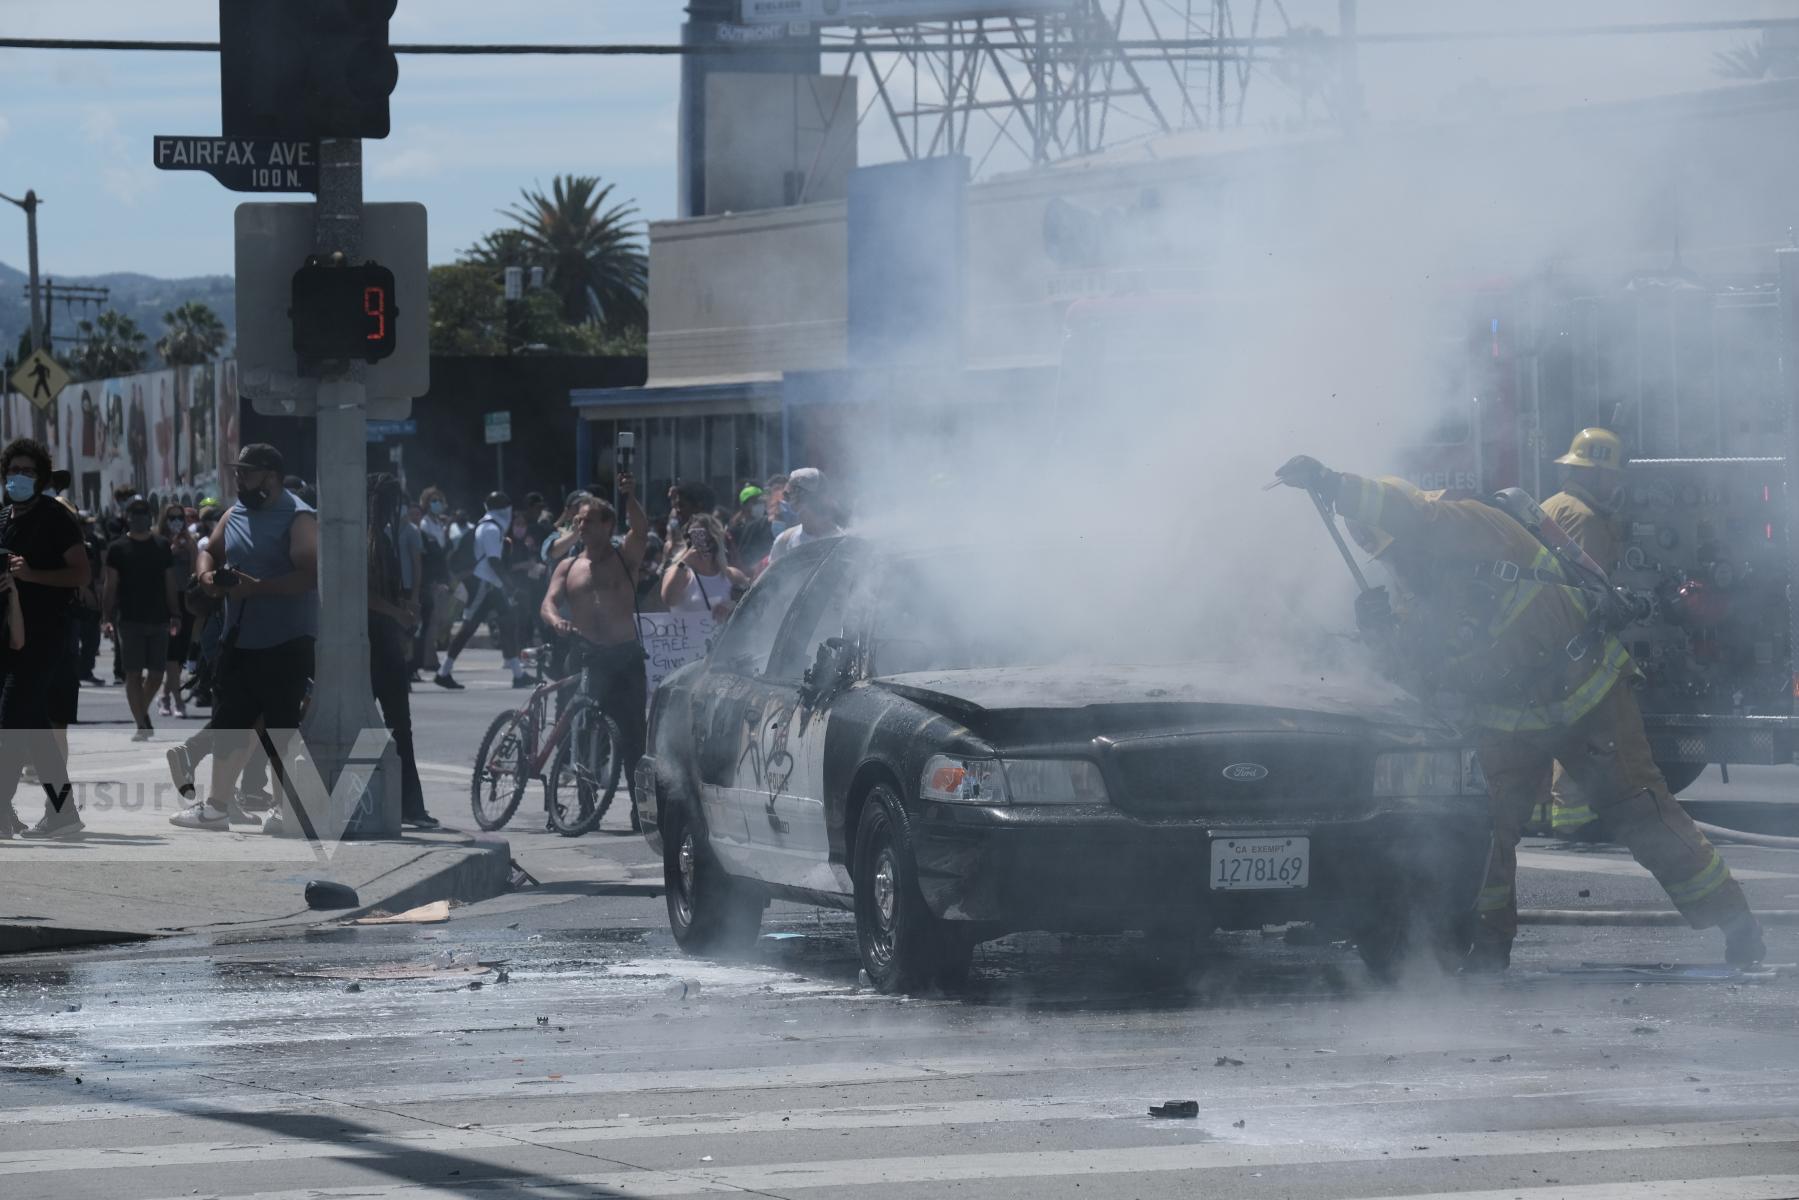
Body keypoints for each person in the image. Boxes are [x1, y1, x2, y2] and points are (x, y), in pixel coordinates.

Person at [1273, 455, 1766, 969]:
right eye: (1390, 558)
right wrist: (1382, 636)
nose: (1400, 566)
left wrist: (1335, 485)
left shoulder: (1468, 524)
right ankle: (1487, 950)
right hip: (1507, 719)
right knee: (1487, 831)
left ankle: (1737, 925)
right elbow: (1423, 681)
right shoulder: (1412, 599)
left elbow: (1408, 514)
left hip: (1588, 695)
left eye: (1398, 551)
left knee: (1642, 813)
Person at [169, 444, 317, 831]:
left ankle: (285, 812)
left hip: (287, 641)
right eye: (237, 472)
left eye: (246, 472)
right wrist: (205, 577)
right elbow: (209, 552)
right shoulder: (234, 514)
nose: (239, 479)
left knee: (281, 727)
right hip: (240, 640)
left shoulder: (299, 516)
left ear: (271, 476)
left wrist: (259, 588)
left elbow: (308, 575)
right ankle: (217, 807)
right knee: (232, 724)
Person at [540, 475, 650, 827]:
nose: (580, 526)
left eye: (587, 520)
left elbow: (641, 526)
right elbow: (548, 603)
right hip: (584, 654)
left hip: (624, 656)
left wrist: (629, 495)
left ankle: (640, 809)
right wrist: (556, 620)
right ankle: (577, 806)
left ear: (608, 524)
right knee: (575, 731)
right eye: (578, 521)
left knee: (633, 736)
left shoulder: (625, 556)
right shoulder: (569, 566)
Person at [1537, 428, 1629, 841]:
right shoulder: (1587, 519)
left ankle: (1539, 810)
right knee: (1584, 723)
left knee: (1543, 721)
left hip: (1538, 634)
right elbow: (1591, 584)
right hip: (1573, 638)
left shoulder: (1552, 506)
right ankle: (1572, 819)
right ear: (1593, 475)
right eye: (1609, 474)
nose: (1614, 482)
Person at [0, 438, 91, 839]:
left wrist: (31, 574)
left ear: (40, 477)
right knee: (33, 725)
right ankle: (63, 812)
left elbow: (81, 574)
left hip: (45, 633)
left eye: (27, 471)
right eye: (13, 470)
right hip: (9, 634)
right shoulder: (4, 516)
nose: (18, 477)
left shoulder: (55, 517)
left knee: (12, 721)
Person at [367, 474, 436, 829]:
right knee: (376, 726)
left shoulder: (384, 537)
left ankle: (410, 805)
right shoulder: (365, 538)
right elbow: (361, 594)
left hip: (385, 640)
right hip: (369, 642)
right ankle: (395, 805)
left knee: (396, 727)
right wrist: (398, 613)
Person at [102, 498, 180, 740]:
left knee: (156, 674)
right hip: (129, 620)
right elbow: (110, 585)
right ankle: (141, 724)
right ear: (127, 517)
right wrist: (106, 617)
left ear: (150, 516)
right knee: (133, 673)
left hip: (159, 619)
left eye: (143, 512)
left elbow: (170, 582)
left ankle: (141, 713)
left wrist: (175, 612)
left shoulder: (161, 545)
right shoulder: (118, 548)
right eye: (134, 513)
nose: (139, 517)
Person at [436, 491, 528, 690]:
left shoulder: (488, 526)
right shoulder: (490, 529)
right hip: (484, 585)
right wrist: (509, 585)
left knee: (507, 623)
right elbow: (494, 561)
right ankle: (443, 672)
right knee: (468, 628)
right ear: (504, 509)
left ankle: (518, 674)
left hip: (489, 585)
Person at [661, 511, 748, 621]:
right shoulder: (679, 572)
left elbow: (752, 603)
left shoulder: (731, 575)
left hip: (722, 636)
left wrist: (732, 606)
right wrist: (684, 562)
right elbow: (669, 600)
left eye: (707, 538)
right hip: (688, 635)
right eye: (694, 537)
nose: (701, 544)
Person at [157, 501, 197, 720]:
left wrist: (189, 549)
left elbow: (193, 572)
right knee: (171, 653)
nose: (176, 522)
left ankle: (164, 695)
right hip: (166, 601)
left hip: (186, 599)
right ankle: (177, 701)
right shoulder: (159, 541)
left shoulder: (188, 540)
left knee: (179, 654)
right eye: (171, 518)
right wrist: (170, 550)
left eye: (179, 518)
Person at [415, 486, 453, 675]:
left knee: (441, 619)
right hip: (434, 577)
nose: (436, 503)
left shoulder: (440, 523)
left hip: (443, 574)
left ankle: (428, 655)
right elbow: (430, 554)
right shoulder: (426, 524)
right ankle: (429, 658)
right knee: (432, 620)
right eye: (433, 500)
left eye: (439, 500)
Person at [767, 467, 842, 563]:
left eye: (798, 498)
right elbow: (774, 576)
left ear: (818, 500)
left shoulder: (841, 541)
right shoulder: (784, 542)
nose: (792, 505)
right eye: (789, 496)